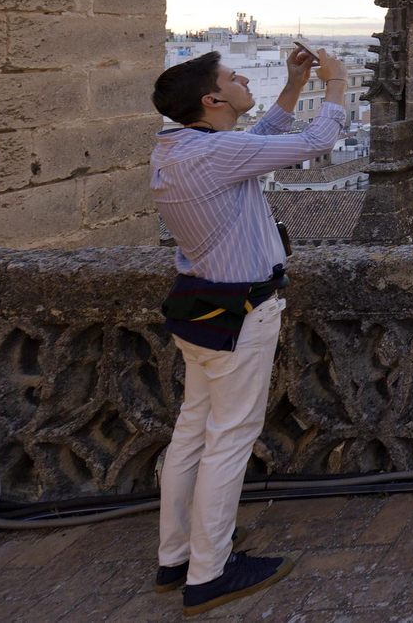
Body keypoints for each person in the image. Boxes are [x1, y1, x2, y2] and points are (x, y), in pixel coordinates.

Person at [148, 45, 348, 617]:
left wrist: (291, 86)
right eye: (234, 77)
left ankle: (176, 557)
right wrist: (334, 84)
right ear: (212, 100)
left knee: (192, 432)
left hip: (198, 310)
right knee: (229, 439)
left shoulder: (180, 147)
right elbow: (316, 143)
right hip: (241, 314)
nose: (243, 79)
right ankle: (211, 573)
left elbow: (255, 141)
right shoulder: (213, 154)